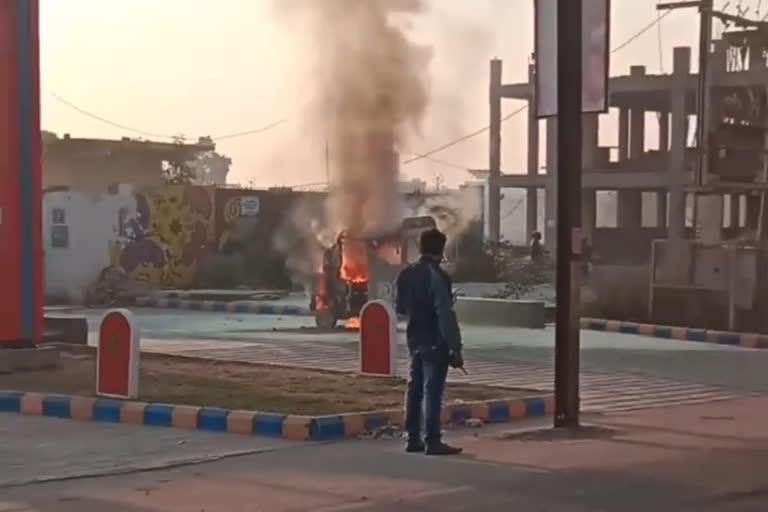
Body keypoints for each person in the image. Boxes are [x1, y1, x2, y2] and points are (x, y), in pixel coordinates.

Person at [395, 228, 463, 456]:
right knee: (432, 391)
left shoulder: (405, 274)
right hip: (435, 339)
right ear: (441, 249)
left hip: (413, 338)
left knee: (414, 389)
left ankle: (412, 438)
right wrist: (455, 346)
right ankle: (433, 440)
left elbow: (400, 308)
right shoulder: (438, 276)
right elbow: (444, 312)